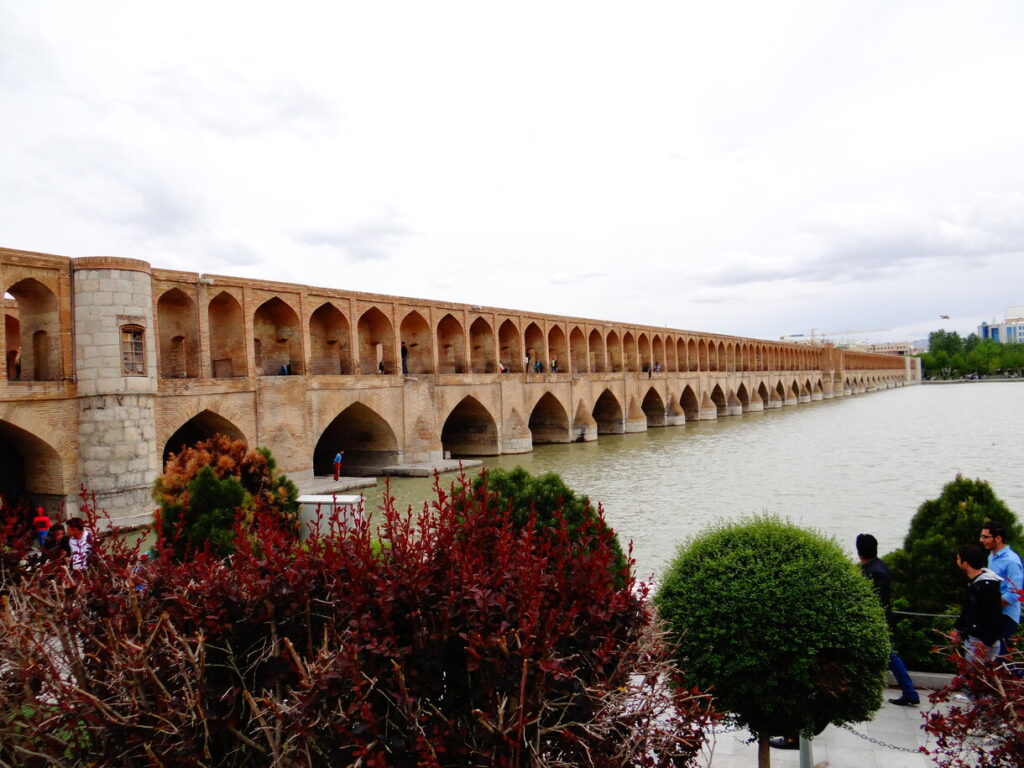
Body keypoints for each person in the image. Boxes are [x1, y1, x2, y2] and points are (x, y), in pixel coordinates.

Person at [856, 533, 920, 705]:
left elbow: (874, 600)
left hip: (877, 621)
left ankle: (909, 691)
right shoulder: (880, 567)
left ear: (859, 551)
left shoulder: (873, 572)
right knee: (888, 655)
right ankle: (908, 691)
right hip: (881, 620)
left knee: (889, 655)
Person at [951, 544, 1003, 664]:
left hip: (981, 642)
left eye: (958, 558)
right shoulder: (974, 583)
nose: (957, 561)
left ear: (965, 563)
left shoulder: (986, 587)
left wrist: (986, 643)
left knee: (974, 678)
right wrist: (958, 629)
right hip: (974, 639)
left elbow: (995, 617)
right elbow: (968, 609)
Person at [979, 520, 1022, 654]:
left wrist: (993, 607)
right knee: (988, 657)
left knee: (1001, 658)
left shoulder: (1011, 561)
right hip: (994, 613)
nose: (981, 540)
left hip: (1006, 616)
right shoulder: (992, 556)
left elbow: (1015, 593)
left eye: (985, 537)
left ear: (998, 538)